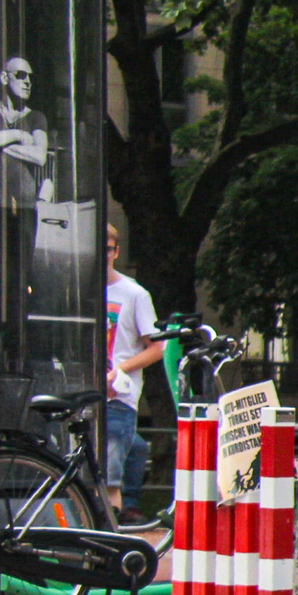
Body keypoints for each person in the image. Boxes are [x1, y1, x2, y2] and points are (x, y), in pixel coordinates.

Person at [0, 55, 46, 371]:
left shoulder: (35, 117)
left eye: (30, 76)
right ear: (3, 78)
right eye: (20, 74)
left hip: (23, 209)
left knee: (18, 280)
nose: (27, 81)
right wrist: (15, 136)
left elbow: (39, 156)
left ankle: (16, 357)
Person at [102, 224, 162, 524]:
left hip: (117, 397)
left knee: (110, 477)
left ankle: (110, 533)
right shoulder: (73, 288)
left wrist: (120, 369)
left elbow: (157, 347)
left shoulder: (135, 294)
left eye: (109, 250)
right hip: (83, 395)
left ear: (117, 251)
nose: (104, 257)